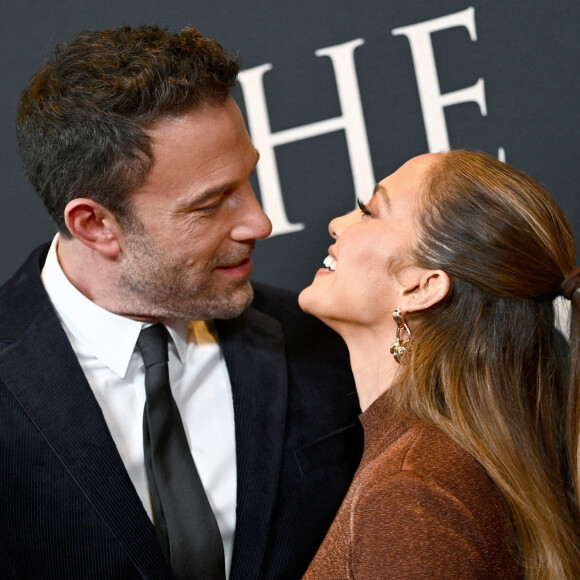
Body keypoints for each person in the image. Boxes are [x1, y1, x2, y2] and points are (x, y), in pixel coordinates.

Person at [0, 25, 363, 579]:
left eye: (248, 181)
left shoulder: (322, 339)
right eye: (211, 204)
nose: (260, 222)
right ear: (95, 224)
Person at [299, 150, 580, 579]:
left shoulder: (411, 493)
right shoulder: (431, 465)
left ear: (421, 288)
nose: (339, 223)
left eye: (369, 211)